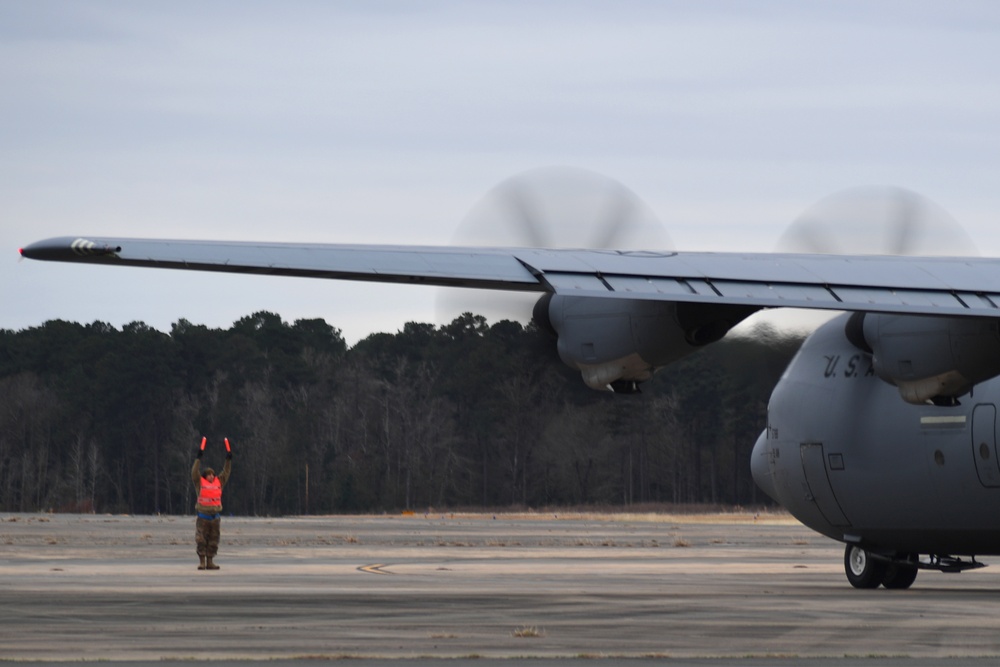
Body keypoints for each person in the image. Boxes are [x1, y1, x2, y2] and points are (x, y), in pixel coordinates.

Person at [191, 437, 233, 570]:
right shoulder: (199, 482)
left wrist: (228, 459)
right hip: (203, 516)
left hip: (215, 517)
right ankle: (202, 562)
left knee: (214, 540)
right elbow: (194, 472)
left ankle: (210, 561)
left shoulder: (219, 482)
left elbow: (226, 472)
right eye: (209, 474)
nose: (211, 476)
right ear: (204, 476)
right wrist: (198, 458)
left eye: (213, 474)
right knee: (201, 540)